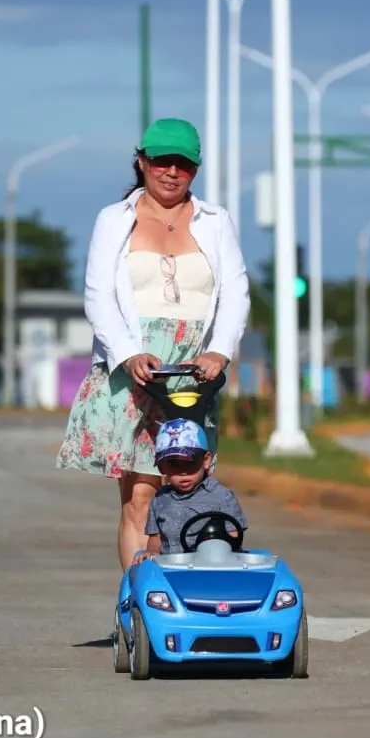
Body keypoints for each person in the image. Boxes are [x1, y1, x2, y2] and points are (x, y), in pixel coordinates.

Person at [54, 117, 251, 571]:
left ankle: (184, 597)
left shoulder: (216, 221)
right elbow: (98, 294)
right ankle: (140, 605)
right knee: (141, 494)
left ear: (195, 171)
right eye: (162, 161)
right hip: (135, 368)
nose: (171, 172)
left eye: (183, 164)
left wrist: (219, 351)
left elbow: (236, 292)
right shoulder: (114, 218)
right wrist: (128, 353)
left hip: (194, 372)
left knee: (188, 486)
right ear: (142, 162)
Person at [134, 418, 247, 564]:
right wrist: (152, 553)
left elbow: (234, 538)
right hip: (171, 570)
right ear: (162, 468)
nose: (183, 472)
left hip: (213, 568)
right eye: (174, 464)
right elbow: (156, 538)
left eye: (190, 463)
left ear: (205, 460)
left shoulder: (222, 497)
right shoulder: (160, 499)